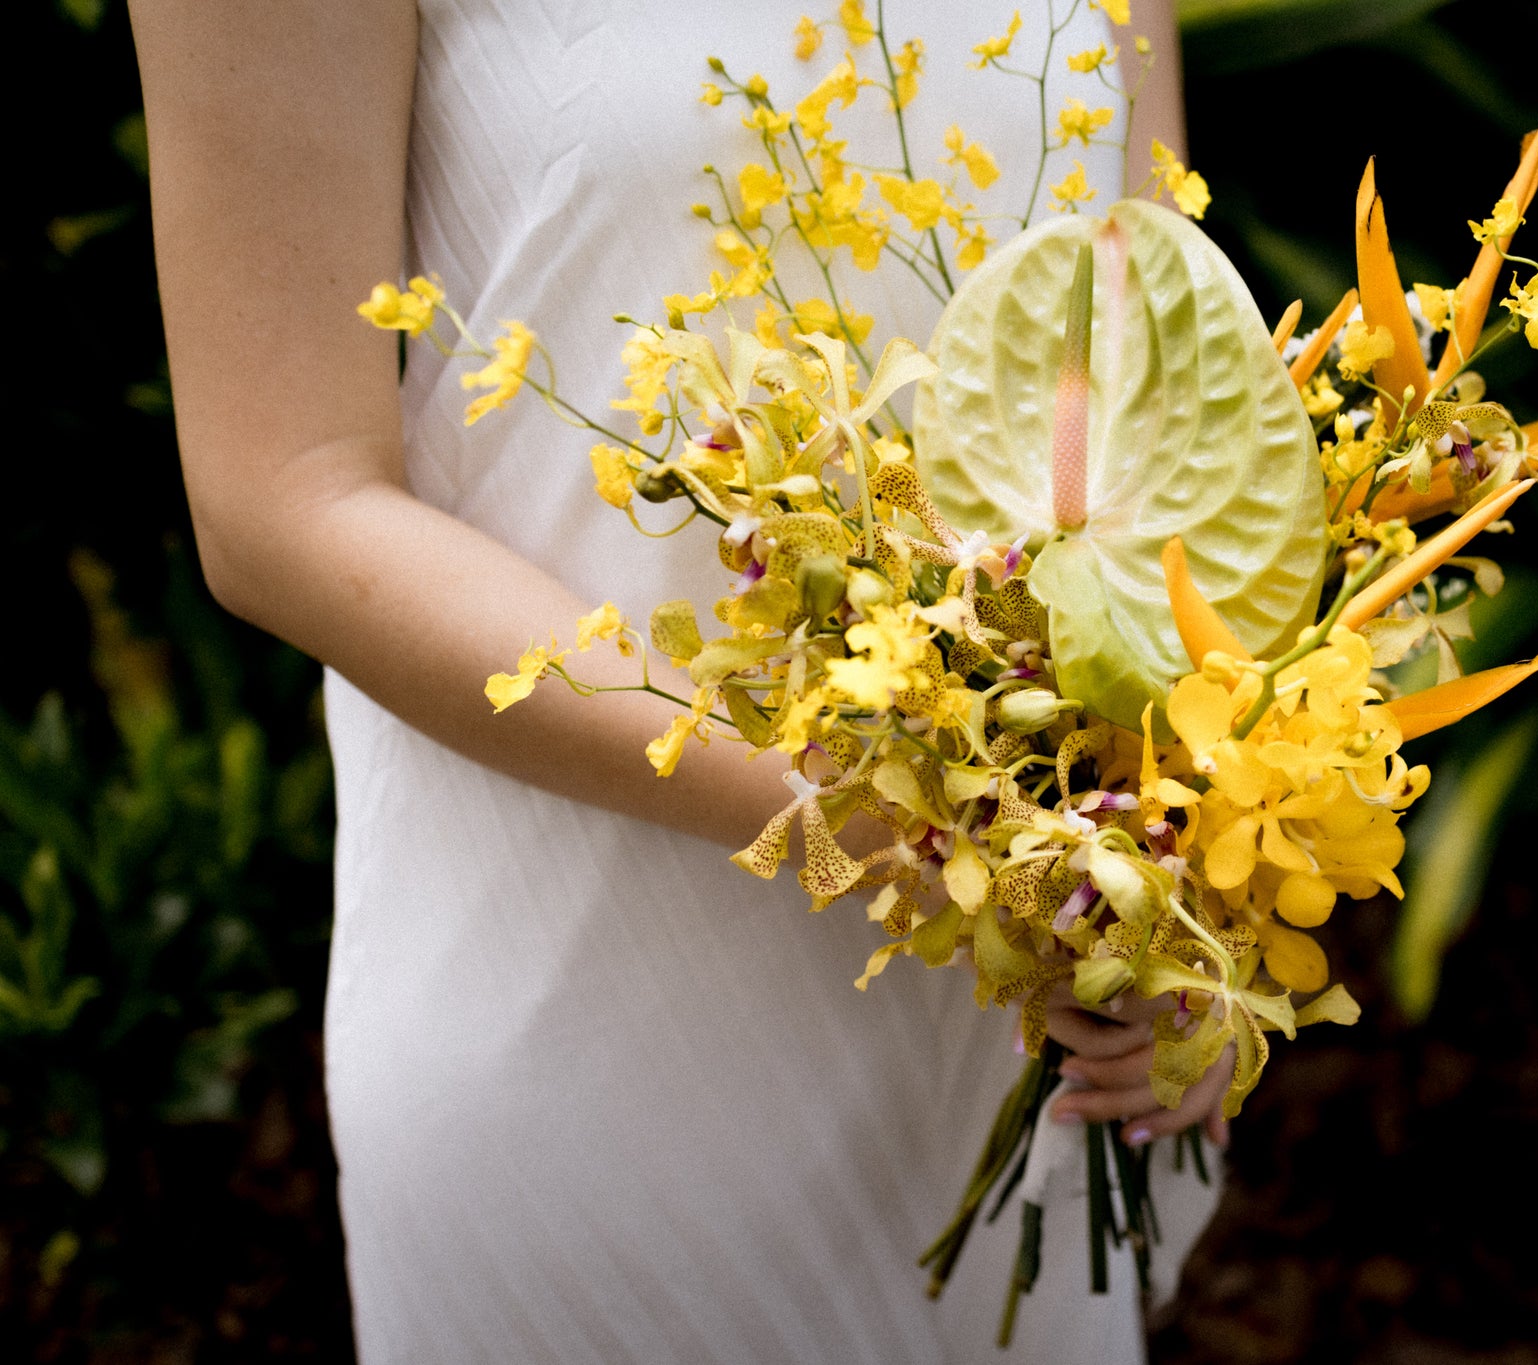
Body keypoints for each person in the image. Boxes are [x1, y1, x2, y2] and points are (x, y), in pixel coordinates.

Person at [130, 0, 1234, 1359]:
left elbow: (1165, 371)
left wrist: (1189, 875)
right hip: (591, 1039)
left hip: (1021, 1010)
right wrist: (892, 818)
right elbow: (283, 495)